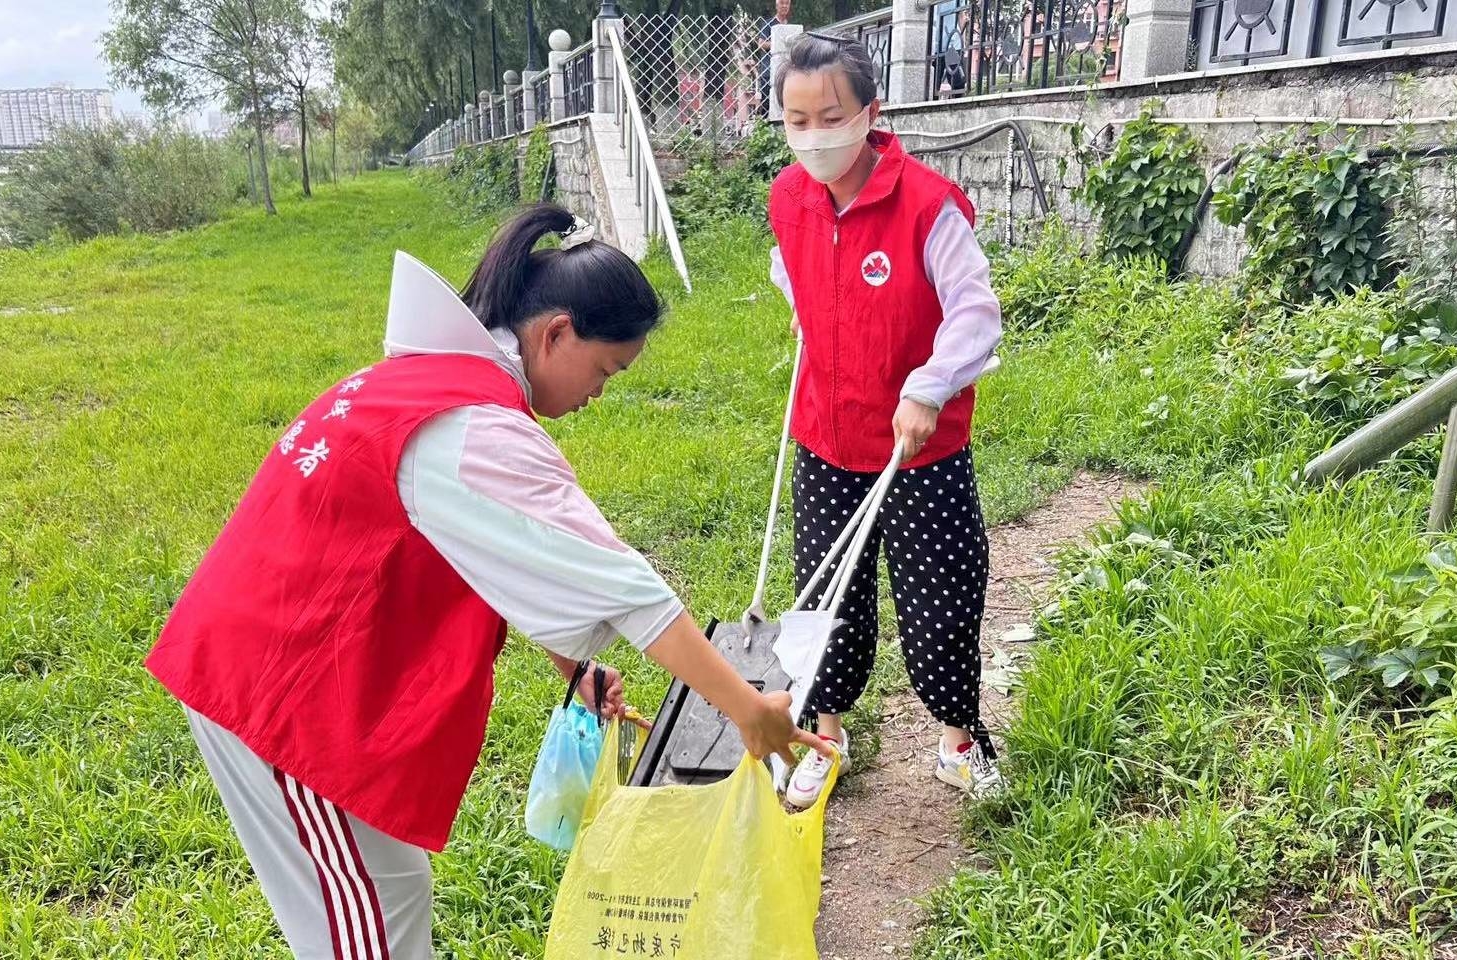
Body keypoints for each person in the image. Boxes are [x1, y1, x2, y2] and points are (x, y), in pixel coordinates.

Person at [145, 204, 828, 959]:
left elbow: (488, 550)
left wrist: (575, 665)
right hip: (278, 697)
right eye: (606, 369)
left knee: (386, 894)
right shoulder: (476, 428)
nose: (600, 393)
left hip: (273, 661)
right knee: (363, 935)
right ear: (555, 333)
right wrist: (745, 709)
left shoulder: (424, 381)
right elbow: (626, 589)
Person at [765, 34, 1005, 809]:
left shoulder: (928, 205)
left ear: (872, 111)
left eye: (829, 117)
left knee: (941, 592)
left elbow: (974, 311)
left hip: (917, 447)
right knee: (825, 595)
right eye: (795, 121)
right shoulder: (788, 198)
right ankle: (824, 735)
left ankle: (959, 742)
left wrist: (929, 386)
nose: (813, 137)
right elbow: (792, 272)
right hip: (825, 439)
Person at [756, 0, 794, 117]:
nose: (784, 6)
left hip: (786, 70)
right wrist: (777, 43)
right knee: (768, 104)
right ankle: (765, 127)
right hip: (769, 71)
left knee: (785, 102)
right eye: (782, 3)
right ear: (777, 6)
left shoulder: (791, 27)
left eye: (787, 3)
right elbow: (761, 44)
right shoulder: (769, 24)